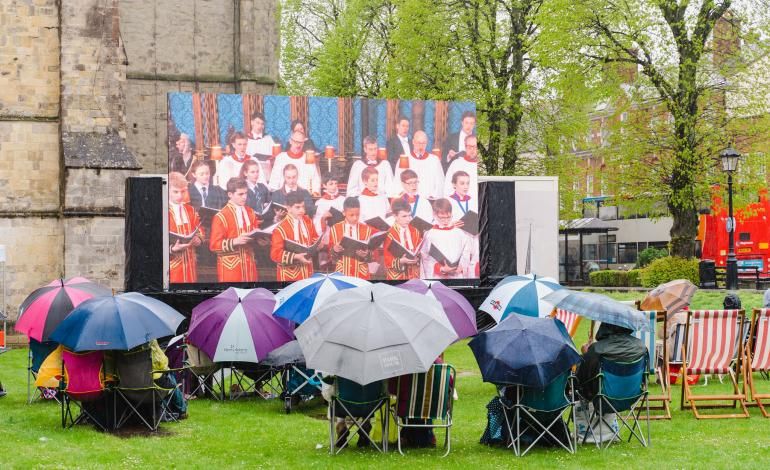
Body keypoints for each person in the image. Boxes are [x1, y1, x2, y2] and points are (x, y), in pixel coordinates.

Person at [576, 323, 647, 401]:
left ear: (604, 327)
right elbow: (645, 377)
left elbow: (582, 378)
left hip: (603, 398)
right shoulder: (642, 347)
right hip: (631, 397)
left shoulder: (597, 348)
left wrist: (586, 355)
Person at [209, 178, 261, 282]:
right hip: (231, 269)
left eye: (246, 193)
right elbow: (214, 246)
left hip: (249, 267)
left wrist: (261, 240)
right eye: (240, 194)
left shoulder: (250, 212)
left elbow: (255, 235)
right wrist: (234, 241)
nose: (245, 197)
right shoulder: (221, 216)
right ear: (230, 194)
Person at [270, 191, 319, 281]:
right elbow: (275, 254)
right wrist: (295, 256)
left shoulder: (308, 221)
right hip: (290, 274)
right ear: (288, 208)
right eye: (297, 207)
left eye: (303, 207)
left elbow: (314, 238)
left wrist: (317, 244)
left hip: (307, 271)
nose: (302, 210)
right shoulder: (280, 229)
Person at [420, 198, 473, 279]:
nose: (445, 221)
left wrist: (461, 266)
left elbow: (466, 252)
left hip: (457, 275)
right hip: (438, 276)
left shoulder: (459, 232)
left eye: (448, 217)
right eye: (442, 218)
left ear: (451, 213)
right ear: (434, 214)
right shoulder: (430, 234)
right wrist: (440, 268)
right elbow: (426, 257)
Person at [168, 172, 204, 284]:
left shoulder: (190, 210)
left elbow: (199, 230)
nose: (180, 196)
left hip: (190, 265)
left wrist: (199, 238)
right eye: (175, 192)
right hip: (172, 267)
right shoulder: (162, 211)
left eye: (183, 191)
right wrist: (172, 249)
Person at [329, 197, 374, 279]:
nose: (355, 218)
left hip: (361, 274)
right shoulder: (335, 229)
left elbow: (373, 254)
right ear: (343, 213)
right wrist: (335, 250)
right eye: (351, 215)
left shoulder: (367, 229)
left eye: (357, 214)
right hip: (342, 273)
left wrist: (366, 254)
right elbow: (331, 255)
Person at [269, 130, 321, 195]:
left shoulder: (308, 158)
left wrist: (314, 192)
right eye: (296, 142)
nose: (298, 145)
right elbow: (274, 181)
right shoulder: (281, 157)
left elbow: (315, 180)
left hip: (303, 198)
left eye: (301, 142)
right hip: (284, 197)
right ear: (290, 141)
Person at [383, 199, 423, 280]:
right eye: (404, 216)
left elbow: (420, 251)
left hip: (414, 275)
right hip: (398, 277)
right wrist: (401, 261)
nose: (408, 219)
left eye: (409, 215)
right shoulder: (389, 234)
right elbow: (387, 259)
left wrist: (418, 256)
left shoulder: (415, 231)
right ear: (395, 216)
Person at [397, 130, 444, 199]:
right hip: (409, 200)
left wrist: (433, 197)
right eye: (418, 143)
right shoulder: (404, 159)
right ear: (413, 142)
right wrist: (406, 196)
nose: (421, 146)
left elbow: (440, 182)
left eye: (423, 143)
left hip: (428, 200)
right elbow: (398, 181)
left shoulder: (434, 160)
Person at [150, 340, 187, 419]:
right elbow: (163, 364)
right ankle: (182, 409)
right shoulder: (152, 345)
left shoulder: (130, 353)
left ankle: (178, 407)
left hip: (131, 387)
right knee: (171, 378)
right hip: (155, 383)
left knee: (169, 376)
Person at [443, 134, 479, 200]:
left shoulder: (483, 167)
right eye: (469, 146)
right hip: (460, 203)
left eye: (475, 146)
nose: (472, 150)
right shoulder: (456, 164)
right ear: (465, 147)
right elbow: (448, 188)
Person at [245, 111, 276, 180]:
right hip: (252, 172)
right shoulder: (246, 139)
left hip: (267, 172)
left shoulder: (268, 138)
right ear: (252, 122)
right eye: (258, 123)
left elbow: (275, 155)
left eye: (262, 124)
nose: (260, 126)